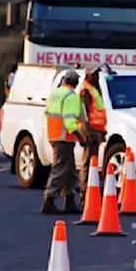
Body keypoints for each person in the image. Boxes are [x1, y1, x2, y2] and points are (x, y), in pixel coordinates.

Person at [41, 69, 87, 215]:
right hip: (64, 138)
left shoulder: (55, 93)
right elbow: (69, 122)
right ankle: (49, 200)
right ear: (76, 82)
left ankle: (69, 199)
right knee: (59, 170)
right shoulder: (71, 96)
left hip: (54, 136)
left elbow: (47, 113)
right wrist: (81, 137)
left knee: (70, 171)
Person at [77, 66, 107, 209]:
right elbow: (84, 114)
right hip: (90, 131)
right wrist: (87, 133)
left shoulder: (94, 89)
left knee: (92, 164)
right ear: (88, 75)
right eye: (94, 74)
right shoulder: (86, 90)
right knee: (88, 164)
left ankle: (90, 195)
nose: (97, 76)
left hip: (96, 130)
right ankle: (85, 197)